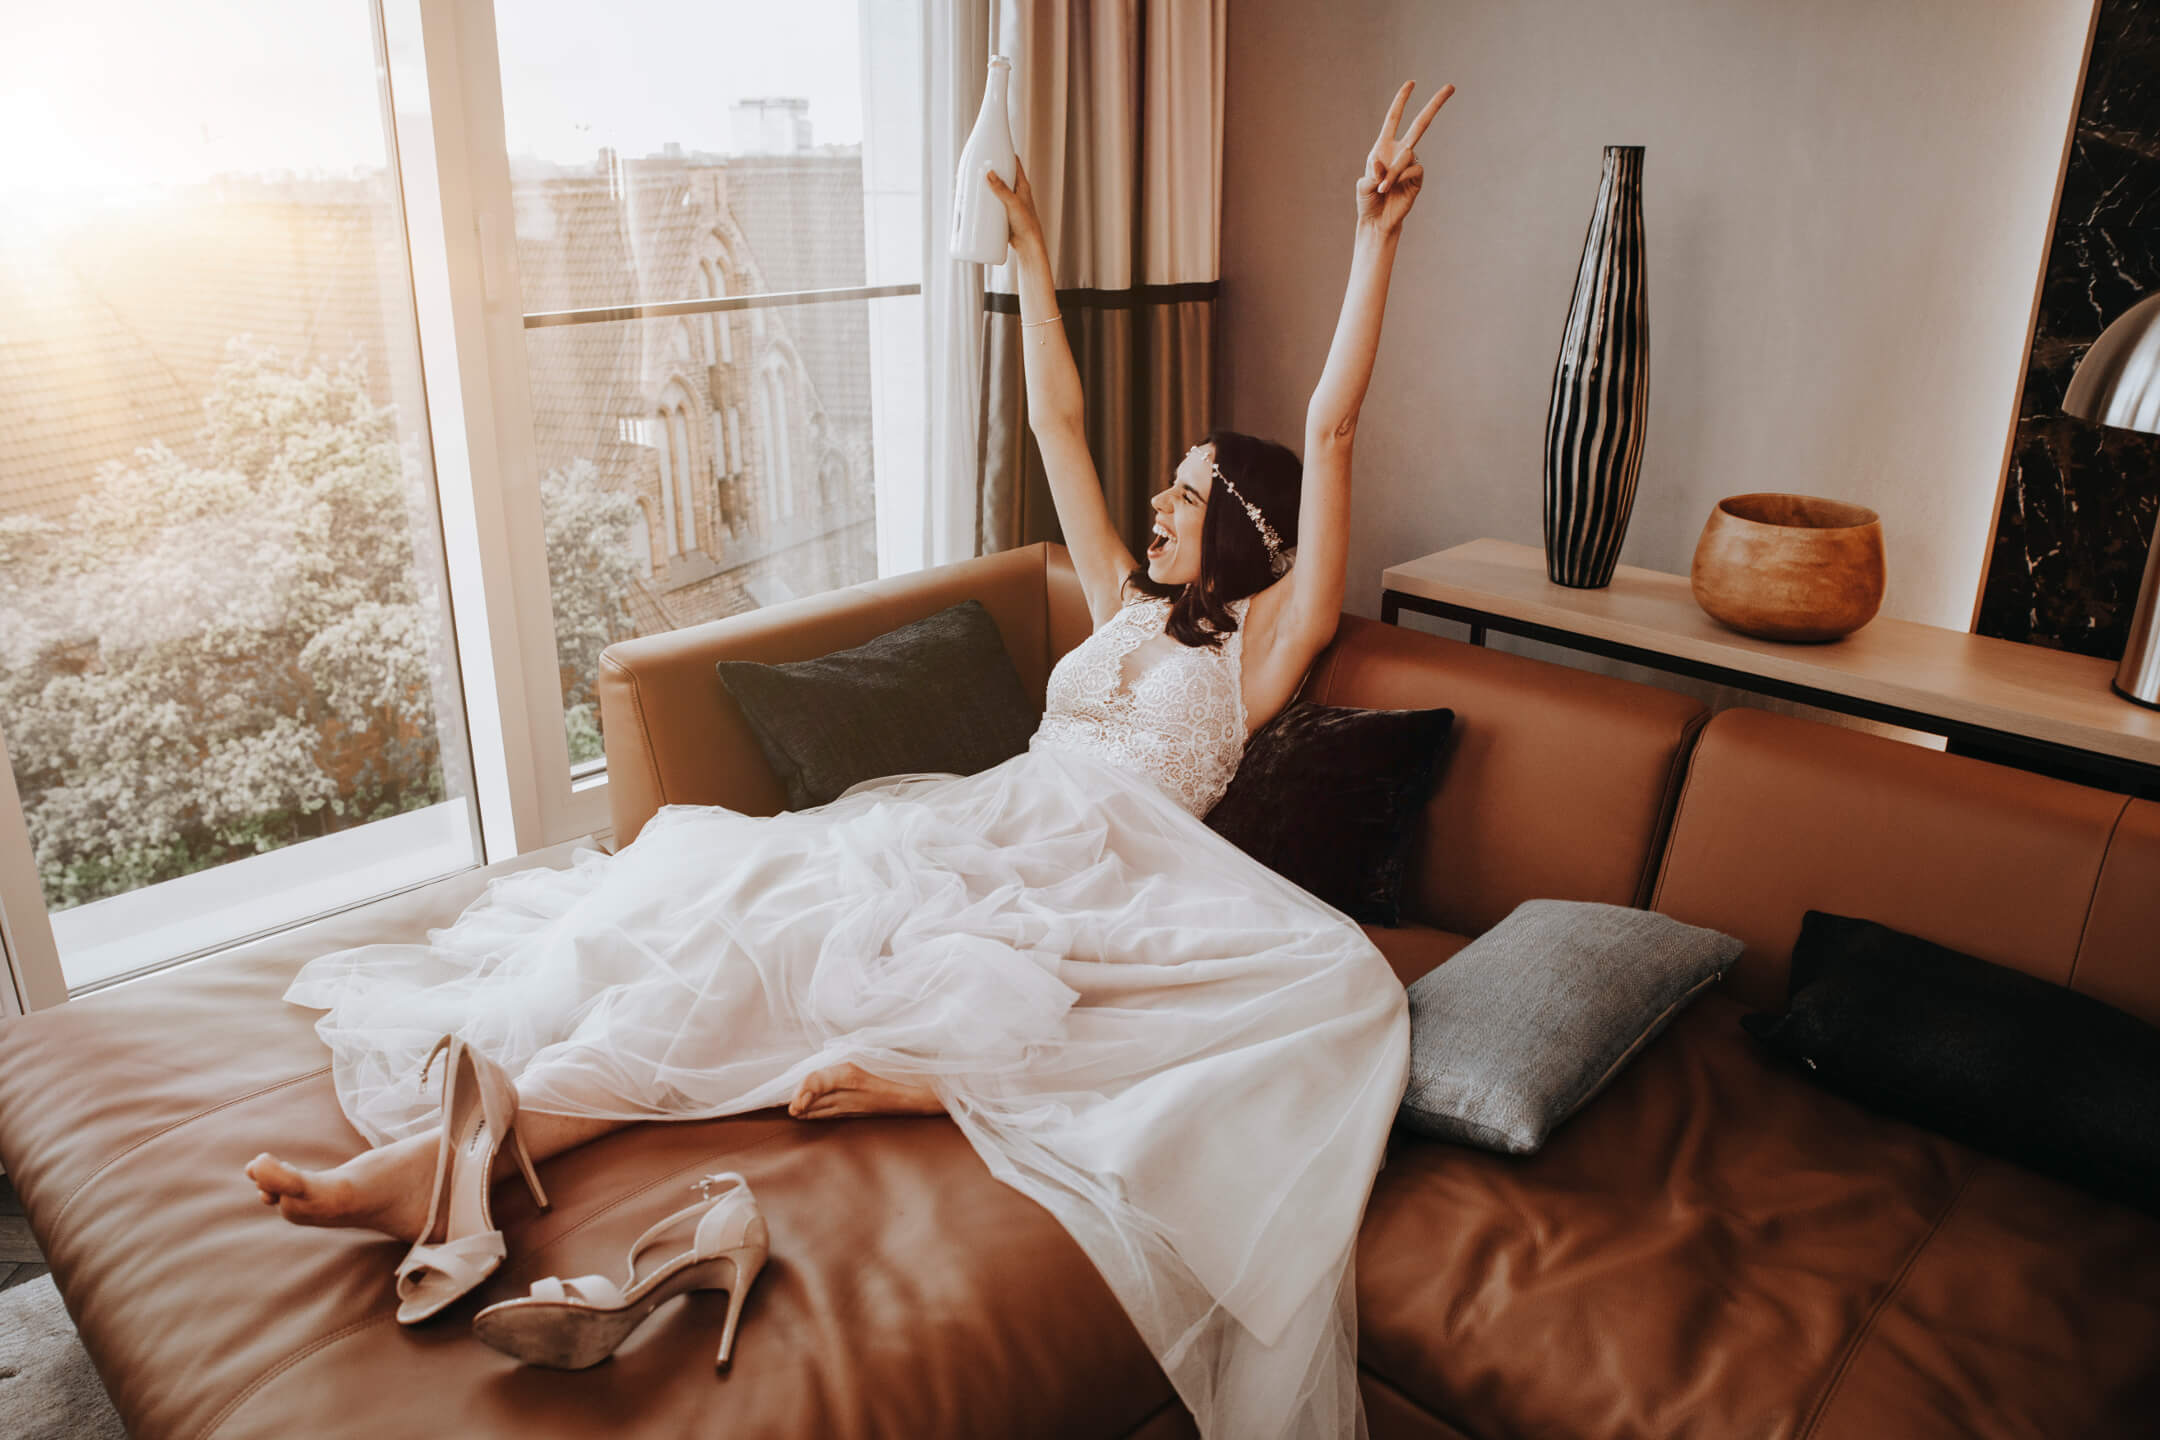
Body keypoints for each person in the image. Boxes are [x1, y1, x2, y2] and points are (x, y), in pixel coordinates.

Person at [246, 78, 1453, 1439]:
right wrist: (1036, 260)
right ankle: (458, 1160)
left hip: (1101, 873)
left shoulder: (1264, 648)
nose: (1159, 503)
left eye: (1186, 489)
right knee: (723, 917)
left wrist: (1377, 240)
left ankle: (493, 1158)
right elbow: (1057, 421)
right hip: (975, 822)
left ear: (1246, 530)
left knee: (803, 972)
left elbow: (1335, 426)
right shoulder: (1124, 594)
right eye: (1169, 486)